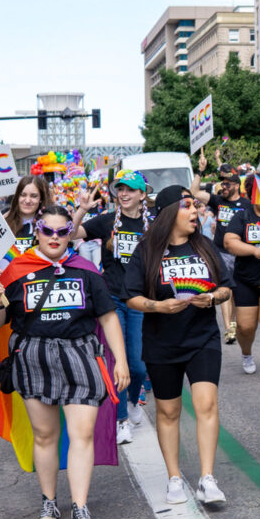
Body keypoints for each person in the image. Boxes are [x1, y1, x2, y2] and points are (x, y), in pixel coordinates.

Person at [0, 205, 129, 519]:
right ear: (36, 231)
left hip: (80, 354)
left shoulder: (86, 268)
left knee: (82, 433)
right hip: (33, 356)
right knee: (45, 434)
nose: (54, 237)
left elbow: (107, 316)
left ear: (70, 233)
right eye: (47, 231)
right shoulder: (15, 270)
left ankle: (80, 509)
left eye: (62, 231)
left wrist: (119, 360)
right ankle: (49, 500)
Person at [124, 185, 234, 506]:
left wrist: (212, 297)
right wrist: (159, 307)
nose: (195, 211)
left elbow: (226, 288)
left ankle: (207, 478)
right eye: (188, 205)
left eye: (196, 205)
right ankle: (174, 478)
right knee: (168, 411)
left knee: (206, 404)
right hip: (162, 342)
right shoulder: (146, 250)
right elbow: (131, 296)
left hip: (202, 338)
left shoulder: (205, 246)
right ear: (170, 212)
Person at [71, 171, 152, 444]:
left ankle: (131, 401)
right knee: (118, 363)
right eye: (120, 189)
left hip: (140, 301)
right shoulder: (107, 221)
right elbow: (70, 234)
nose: (124, 194)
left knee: (139, 366)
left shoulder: (154, 225)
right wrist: (82, 209)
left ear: (142, 194)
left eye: (130, 189)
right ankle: (121, 421)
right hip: (112, 300)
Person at [223, 173, 260, 381]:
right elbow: (229, 242)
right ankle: (246, 354)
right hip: (245, 278)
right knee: (245, 326)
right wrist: (252, 250)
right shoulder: (242, 216)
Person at [191, 155, 248, 345]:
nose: (223, 186)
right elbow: (194, 192)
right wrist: (200, 170)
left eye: (227, 183)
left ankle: (235, 323)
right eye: (222, 183)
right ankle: (229, 328)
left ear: (235, 184)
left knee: (237, 292)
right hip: (221, 252)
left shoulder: (246, 205)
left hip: (240, 255)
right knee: (225, 289)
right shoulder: (217, 201)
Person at [4, 175, 52, 260]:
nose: (27, 200)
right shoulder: (3, 223)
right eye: (23, 195)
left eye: (33, 196)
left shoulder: (49, 225)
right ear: (17, 197)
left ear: (41, 198)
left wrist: (82, 210)